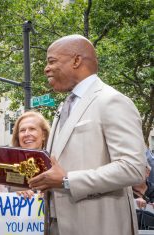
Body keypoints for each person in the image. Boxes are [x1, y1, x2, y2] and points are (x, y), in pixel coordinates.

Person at [27, 35, 146, 235]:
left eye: (51, 61)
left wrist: (67, 180)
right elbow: (56, 165)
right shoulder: (65, 105)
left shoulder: (112, 101)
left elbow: (132, 168)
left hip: (99, 225)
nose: (46, 68)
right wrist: (3, 170)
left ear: (76, 60)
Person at [0, 110, 51, 197]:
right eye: (22, 130)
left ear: (44, 135)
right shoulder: (5, 162)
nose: (26, 134)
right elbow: (0, 193)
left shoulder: (54, 161)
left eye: (32, 129)